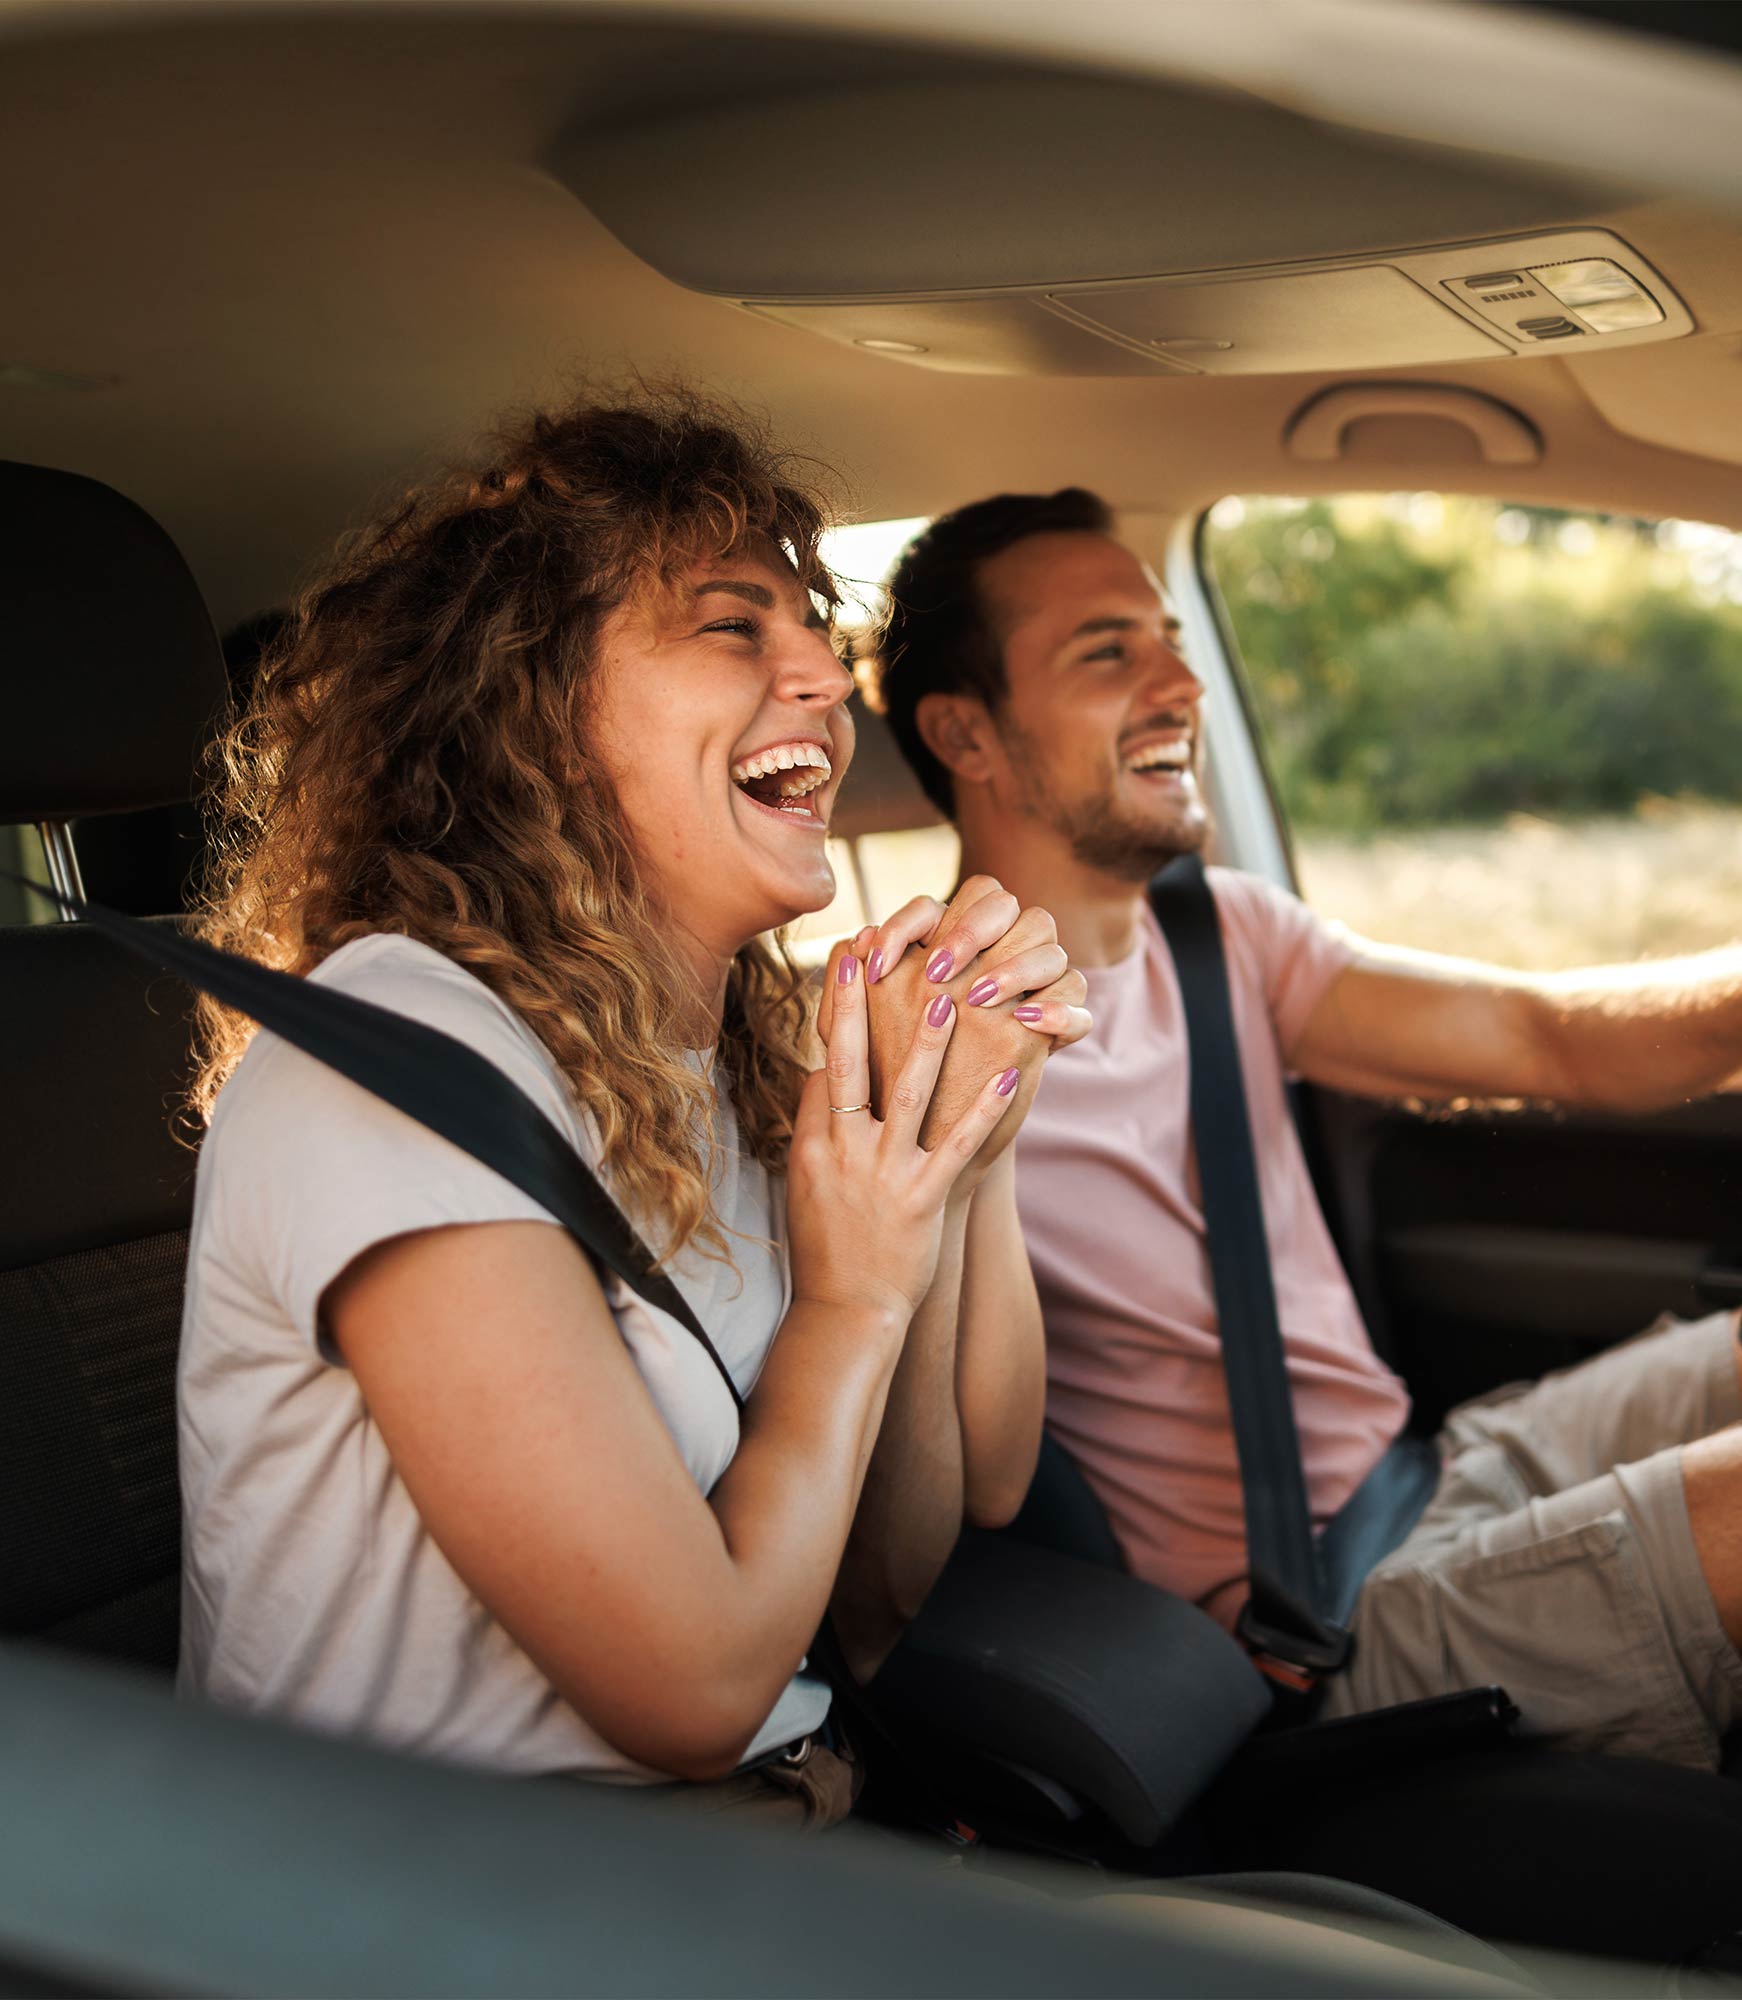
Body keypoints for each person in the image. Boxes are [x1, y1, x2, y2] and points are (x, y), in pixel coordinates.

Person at [867, 485, 1742, 1805]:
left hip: (1443, 1464)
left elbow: (1548, 1039)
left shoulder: (1218, 931)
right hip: (1322, 1629)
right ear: (966, 733)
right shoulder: (927, 1043)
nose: (1180, 682)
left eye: (1170, 637)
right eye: (1107, 652)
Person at [175, 392, 1083, 1824]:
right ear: (528, 710)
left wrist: (953, 1138)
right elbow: (698, 1692)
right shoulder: (394, 1065)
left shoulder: (714, 1064)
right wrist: (847, 1304)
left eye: (811, 626)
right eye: (734, 626)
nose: (828, 679)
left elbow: (885, 1594)